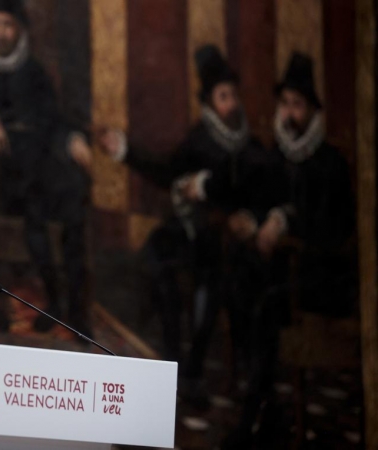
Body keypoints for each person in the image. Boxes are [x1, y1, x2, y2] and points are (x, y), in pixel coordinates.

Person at [103, 45, 281, 406]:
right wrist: (125, 151)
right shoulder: (199, 137)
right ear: (210, 102)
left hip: (226, 241)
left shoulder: (253, 147)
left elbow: (252, 189)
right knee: (157, 262)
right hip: (188, 231)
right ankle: (172, 362)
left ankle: (195, 371)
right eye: (223, 96)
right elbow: (166, 171)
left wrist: (205, 187)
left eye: (233, 95)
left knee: (211, 275)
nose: (231, 104)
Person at [222, 52, 356, 449]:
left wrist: (286, 222)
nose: (289, 113)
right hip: (281, 271)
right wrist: (252, 219)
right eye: (285, 104)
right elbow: (262, 204)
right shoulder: (275, 157)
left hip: (321, 277)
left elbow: (333, 230)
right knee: (237, 283)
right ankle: (267, 403)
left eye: (298, 105)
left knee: (265, 305)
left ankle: (253, 414)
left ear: (313, 111)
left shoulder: (332, 163)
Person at [0, 0, 65, 332]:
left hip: (30, 169)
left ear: (19, 29)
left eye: (6, 24)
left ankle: (53, 301)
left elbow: (51, 122)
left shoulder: (34, 72)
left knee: (36, 220)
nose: (0, 32)